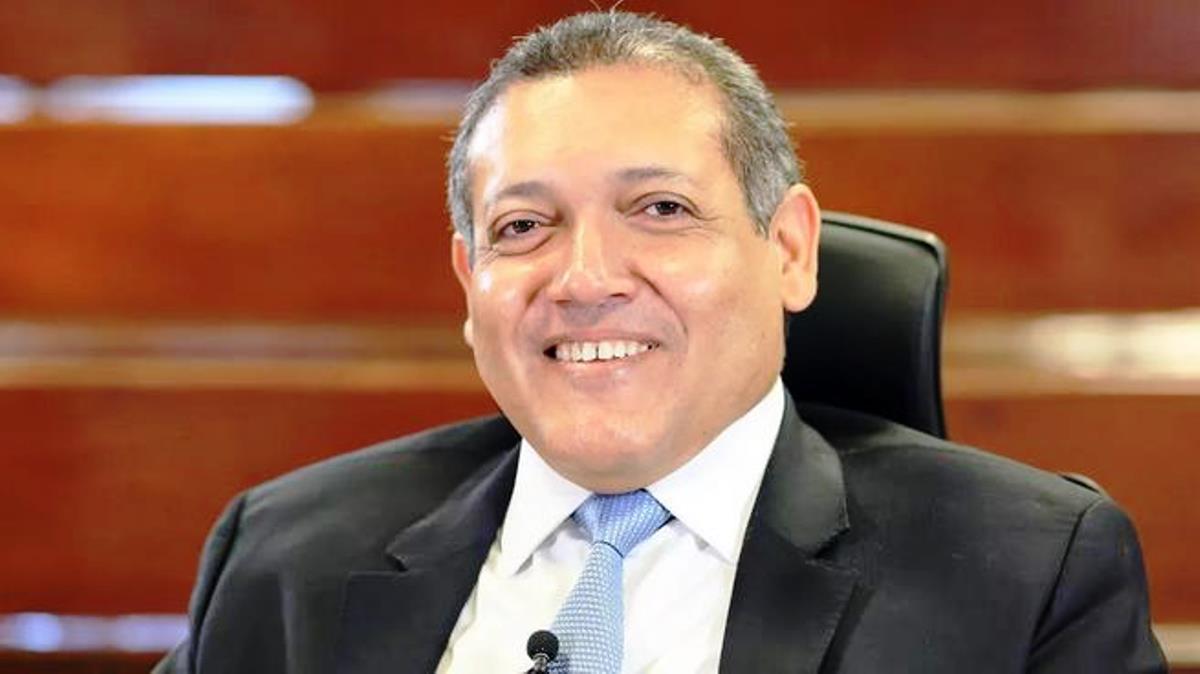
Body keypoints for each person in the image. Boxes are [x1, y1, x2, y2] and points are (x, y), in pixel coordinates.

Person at [155, 11, 1165, 673]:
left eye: (661, 209)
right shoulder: (282, 557)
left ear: (789, 249)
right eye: (524, 226)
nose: (586, 277)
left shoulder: (1028, 576)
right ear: (471, 286)